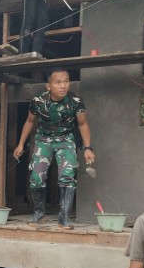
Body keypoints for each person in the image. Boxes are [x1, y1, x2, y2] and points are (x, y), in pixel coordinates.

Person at [13, 68, 95, 228]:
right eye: (58, 82)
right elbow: (30, 122)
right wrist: (21, 143)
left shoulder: (76, 101)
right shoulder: (38, 101)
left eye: (66, 81)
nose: (63, 85)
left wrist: (88, 148)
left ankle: (64, 219)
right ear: (48, 86)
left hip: (66, 139)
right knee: (36, 178)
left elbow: (83, 124)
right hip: (43, 140)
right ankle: (39, 214)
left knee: (68, 177)